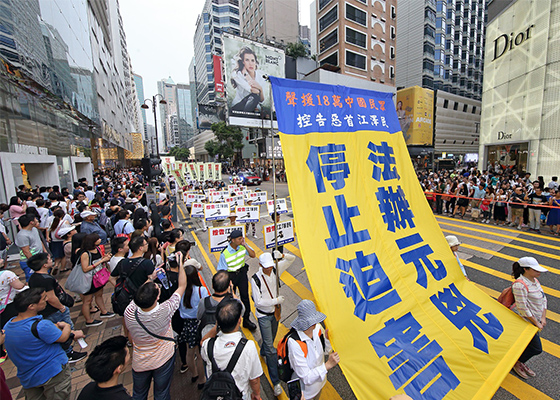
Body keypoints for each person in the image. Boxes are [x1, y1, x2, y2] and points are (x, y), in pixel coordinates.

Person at [124, 251, 187, 400]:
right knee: (162, 393)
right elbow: (182, 285)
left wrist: (150, 279)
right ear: (157, 298)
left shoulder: (130, 311)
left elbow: (139, 295)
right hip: (163, 359)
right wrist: (181, 264)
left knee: (138, 394)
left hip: (139, 361)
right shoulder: (164, 311)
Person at [3, 288, 84, 399]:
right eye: (43, 299)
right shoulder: (41, 326)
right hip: (52, 372)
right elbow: (63, 337)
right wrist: (67, 327)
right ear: (31, 306)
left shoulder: (8, 326)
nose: (46, 300)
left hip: (29, 378)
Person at [27, 252, 88, 362]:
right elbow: (51, 297)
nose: (51, 260)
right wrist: (62, 308)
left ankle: (67, 352)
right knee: (66, 330)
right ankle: (69, 353)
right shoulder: (45, 279)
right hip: (54, 310)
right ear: (44, 265)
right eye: (49, 259)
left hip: (46, 311)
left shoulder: (34, 278)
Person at [201, 298, 263, 400]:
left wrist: (217, 327)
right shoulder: (248, 346)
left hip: (214, 394)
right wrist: (256, 394)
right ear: (239, 320)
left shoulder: (208, 346)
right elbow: (254, 379)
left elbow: (203, 341)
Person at [250, 251, 292, 396]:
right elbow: (258, 302)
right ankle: (276, 382)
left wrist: (283, 255)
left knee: (270, 341)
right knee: (271, 350)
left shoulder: (275, 269)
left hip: (275, 313)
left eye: (270, 266)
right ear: (260, 265)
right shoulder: (255, 279)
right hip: (263, 316)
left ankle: (263, 350)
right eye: (266, 266)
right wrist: (275, 301)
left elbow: (291, 260)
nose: (268, 269)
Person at [288, 300, 339, 400]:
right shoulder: (294, 343)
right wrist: (328, 365)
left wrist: (327, 340)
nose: (316, 322)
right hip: (305, 394)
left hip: (319, 385)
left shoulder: (317, 328)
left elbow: (324, 351)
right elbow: (306, 378)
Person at [510, 257, 548, 379]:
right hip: (527, 322)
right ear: (525, 269)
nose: (539, 272)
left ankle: (520, 361)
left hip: (536, 320)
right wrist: (536, 323)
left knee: (527, 344)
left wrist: (543, 317)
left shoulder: (535, 280)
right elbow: (523, 309)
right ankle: (517, 363)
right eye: (535, 269)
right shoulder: (519, 285)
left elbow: (543, 298)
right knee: (537, 348)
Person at [216, 229, 257, 331]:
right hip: (231, 277)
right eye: (239, 239)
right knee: (231, 300)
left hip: (242, 275)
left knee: (245, 298)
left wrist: (245, 244)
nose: (241, 240)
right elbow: (221, 270)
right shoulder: (224, 253)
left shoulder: (242, 247)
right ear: (233, 240)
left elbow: (253, 255)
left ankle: (246, 320)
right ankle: (232, 321)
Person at [178, 264, 209, 386]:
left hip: (187, 324)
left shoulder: (180, 291)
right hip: (199, 324)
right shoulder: (201, 290)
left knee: (189, 353)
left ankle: (194, 374)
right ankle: (202, 379)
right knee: (200, 355)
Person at [77, 335, 132, 400]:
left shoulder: (88, 389)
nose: (130, 356)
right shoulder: (123, 398)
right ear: (119, 368)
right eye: (128, 354)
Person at [77, 233, 115, 327]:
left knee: (99, 294)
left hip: (98, 278)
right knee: (87, 300)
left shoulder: (97, 249)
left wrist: (104, 258)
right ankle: (88, 320)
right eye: (97, 239)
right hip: (89, 279)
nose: (99, 239)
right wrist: (101, 261)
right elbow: (85, 268)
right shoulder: (85, 253)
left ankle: (104, 311)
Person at [0, 267, 26, 364]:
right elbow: (19, 286)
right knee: (13, 327)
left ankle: (1, 354)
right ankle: (20, 348)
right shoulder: (7, 274)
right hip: (8, 305)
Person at [230, 47, 266, 112]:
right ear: (243, 62)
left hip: (252, 105)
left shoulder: (260, 75)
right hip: (238, 107)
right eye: (247, 60)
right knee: (255, 96)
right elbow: (253, 90)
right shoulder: (237, 74)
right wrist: (246, 75)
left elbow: (261, 100)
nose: (250, 63)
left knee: (258, 106)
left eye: (252, 60)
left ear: (255, 62)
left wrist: (260, 88)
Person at [15, 214, 47, 281]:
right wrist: (34, 262)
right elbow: (26, 251)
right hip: (29, 261)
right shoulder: (22, 235)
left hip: (39, 258)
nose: (37, 220)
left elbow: (39, 240)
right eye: (35, 219)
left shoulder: (34, 229)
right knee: (32, 279)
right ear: (31, 222)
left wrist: (45, 252)